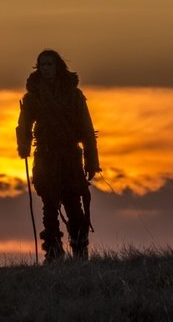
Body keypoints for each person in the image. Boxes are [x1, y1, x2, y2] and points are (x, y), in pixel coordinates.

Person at [16, 49, 100, 262]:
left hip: (70, 157)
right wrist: (23, 145)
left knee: (74, 206)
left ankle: (80, 253)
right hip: (45, 157)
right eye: (42, 65)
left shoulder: (74, 94)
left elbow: (87, 130)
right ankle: (53, 254)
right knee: (50, 208)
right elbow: (24, 124)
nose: (46, 69)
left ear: (57, 66)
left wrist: (92, 162)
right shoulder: (33, 95)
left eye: (49, 64)